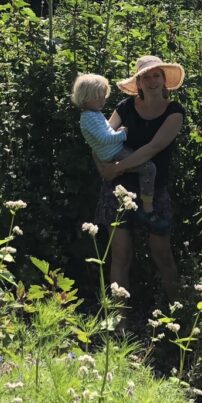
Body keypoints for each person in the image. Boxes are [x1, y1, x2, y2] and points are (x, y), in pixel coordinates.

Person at [93, 55, 185, 302]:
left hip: (153, 192)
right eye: (146, 77)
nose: (152, 81)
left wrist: (117, 167)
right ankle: (118, 317)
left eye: (156, 76)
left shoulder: (174, 112)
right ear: (139, 83)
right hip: (118, 190)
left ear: (164, 80)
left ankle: (180, 312)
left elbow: (153, 148)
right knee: (120, 256)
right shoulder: (125, 107)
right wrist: (103, 168)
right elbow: (100, 138)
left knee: (162, 256)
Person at [70, 72, 159, 219]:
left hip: (114, 151)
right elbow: (104, 138)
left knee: (139, 161)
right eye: (98, 97)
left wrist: (116, 133)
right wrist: (122, 134)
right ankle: (148, 206)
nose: (102, 100)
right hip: (114, 153)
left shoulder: (93, 114)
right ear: (85, 98)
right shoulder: (89, 117)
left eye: (103, 96)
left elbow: (105, 132)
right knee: (149, 168)